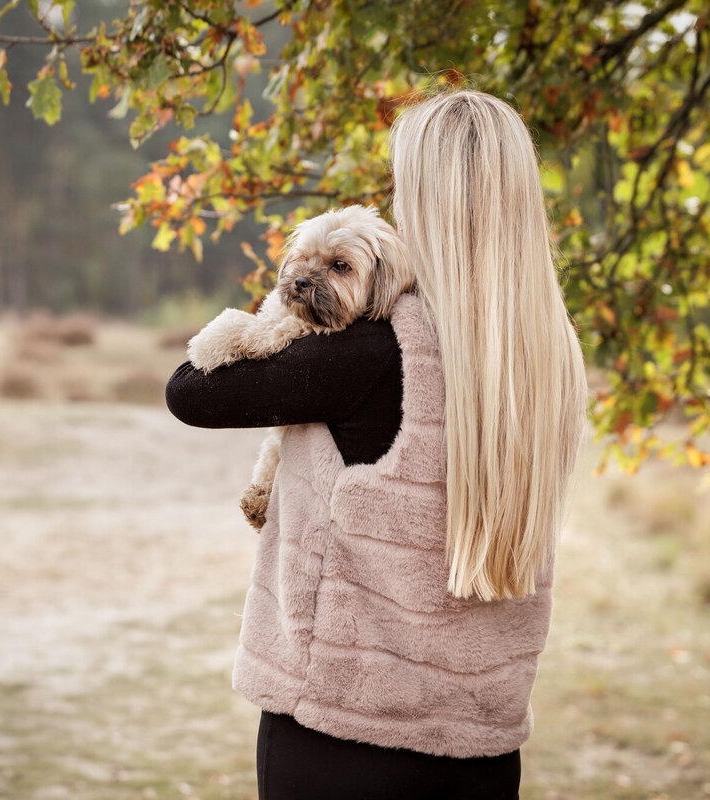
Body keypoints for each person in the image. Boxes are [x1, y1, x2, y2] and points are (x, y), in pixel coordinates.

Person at [165, 88, 590, 800]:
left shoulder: (378, 348)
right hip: (481, 749)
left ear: (421, 200)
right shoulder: (549, 354)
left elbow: (191, 390)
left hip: (339, 735)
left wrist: (279, 312)